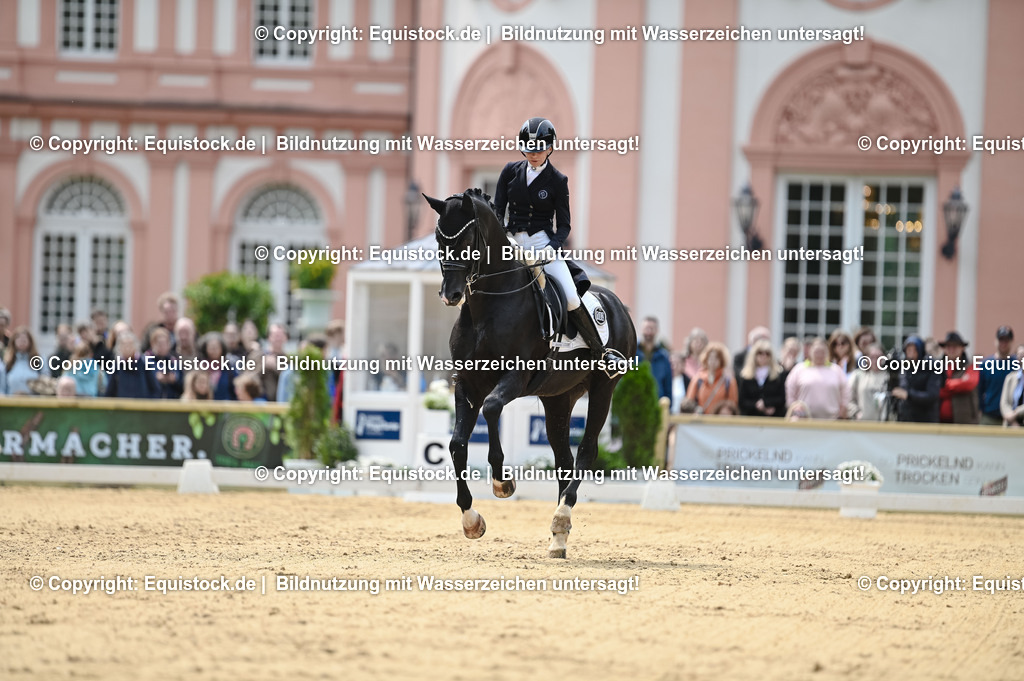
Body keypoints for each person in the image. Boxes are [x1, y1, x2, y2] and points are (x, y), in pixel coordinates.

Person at [493, 117, 625, 372]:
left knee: (572, 298)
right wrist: (504, 236)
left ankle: (602, 353)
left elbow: (564, 225)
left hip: (543, 244)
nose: (533, 154)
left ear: (550, 148)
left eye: (539, 149)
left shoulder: (557, 180)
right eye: (529, 149)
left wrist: (551, 248)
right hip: (511, 244)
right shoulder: (510, 171)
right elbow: (498, 209)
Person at [784, 337, 849, 419]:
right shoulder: (799, 369)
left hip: (831, 419)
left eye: (822, 352)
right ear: (811, 351)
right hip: (804, 419)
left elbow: (845, 394)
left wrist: (842, 413)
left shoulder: (836, 370)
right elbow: (790, 392)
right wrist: (794, 410)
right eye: (817, 352)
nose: (819, 355)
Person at [891, 335, 942, 423]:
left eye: (914, 350)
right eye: (908, 350)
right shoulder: (904, 368)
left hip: (925, 419)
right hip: (905, 418)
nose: (910, 353)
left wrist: (908, 395)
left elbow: (932, 395)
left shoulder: (932, 367)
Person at [684, 342, 738, 415]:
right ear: (706, 359)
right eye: (710, 357)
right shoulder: (698, 379)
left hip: (720, 421)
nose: (713, 361)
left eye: (716, 358)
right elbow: (689, 402)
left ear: (721, 360)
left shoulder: (728, 381)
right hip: (701, 421)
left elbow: (732, 404)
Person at [737, 338, 786, 417]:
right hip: (751, 417)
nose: (763, 356)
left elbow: (781, 399)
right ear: (754, 355)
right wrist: (756, 405)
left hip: (773, 418)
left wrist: (767, 404)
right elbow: (742, 401)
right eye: (760, 353)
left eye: (767, 353)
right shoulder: (745, 375)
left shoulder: (778, 374)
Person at [937, 331, 979, 424]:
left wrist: (946, 384)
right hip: (939, 421)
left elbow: (969, 384)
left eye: (955, 346)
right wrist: (959, 383)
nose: (951, 349)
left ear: (962, 348)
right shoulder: (938, 367)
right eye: (948, 346)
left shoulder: (971, 366)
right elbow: (935, 389)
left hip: (964, 421)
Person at [978, 326, 1016, 425]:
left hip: (1012, 417)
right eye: (1001, 340)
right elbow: (979, 390)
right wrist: (980, 410)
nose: (1003, 344)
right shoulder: (986, 364)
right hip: (989, 415)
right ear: (996, 341)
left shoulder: (1017, 364)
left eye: (1006, 341)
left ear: (1011, 342)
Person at [104, 333, 159, 399]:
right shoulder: (116, 367)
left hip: (142, 406)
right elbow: (109, 392)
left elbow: (155, 390)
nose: (127, 348)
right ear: (119, 348)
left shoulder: (145, 364)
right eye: (124, 345)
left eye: (130, 344)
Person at [847, 343, 888, 421]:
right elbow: (849, 399)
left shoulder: (888, 377)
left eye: (879, 357)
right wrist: (856, 413)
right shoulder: (858, 375)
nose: (876, 360)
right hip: (862, 424)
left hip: (884, 426)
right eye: (872, 357)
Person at [635, 316, 672, 401]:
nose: (649, 332)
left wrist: (668, 408)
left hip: (657, 405)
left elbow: (668, 385)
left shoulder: (664, 356)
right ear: (641, 329)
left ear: (657, 330)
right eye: (646, 328)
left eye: (652, 328)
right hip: (634, 405)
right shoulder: (632, 352)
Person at [3, 326, 42, 395]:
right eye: (19, 338)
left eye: (24, 338)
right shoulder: (8, 362)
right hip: (11, 402)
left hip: (33, 402)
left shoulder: (38, 361)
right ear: (13, 341)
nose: (22, 341)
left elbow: (45, 384)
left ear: (30, 341)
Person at [198, 332, 237, 400]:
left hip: (226, 407)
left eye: (216, 347)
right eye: (211, 347)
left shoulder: (229, 368)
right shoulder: (200, 367)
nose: (214, 350)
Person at [147, 327, 183, 399]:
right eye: (160, 344)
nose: (162, 347)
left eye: (165, 343)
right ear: (152, 344)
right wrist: (155, 379)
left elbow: (182, 383)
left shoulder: (174, 362)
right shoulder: (146, 361)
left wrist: (174, 379)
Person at [999, 345, 1024, 427]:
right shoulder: (1010, 378)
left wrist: (1015, 413)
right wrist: (1012, 421)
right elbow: (1004, 402)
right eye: (1020, 355)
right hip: (1010, 424)